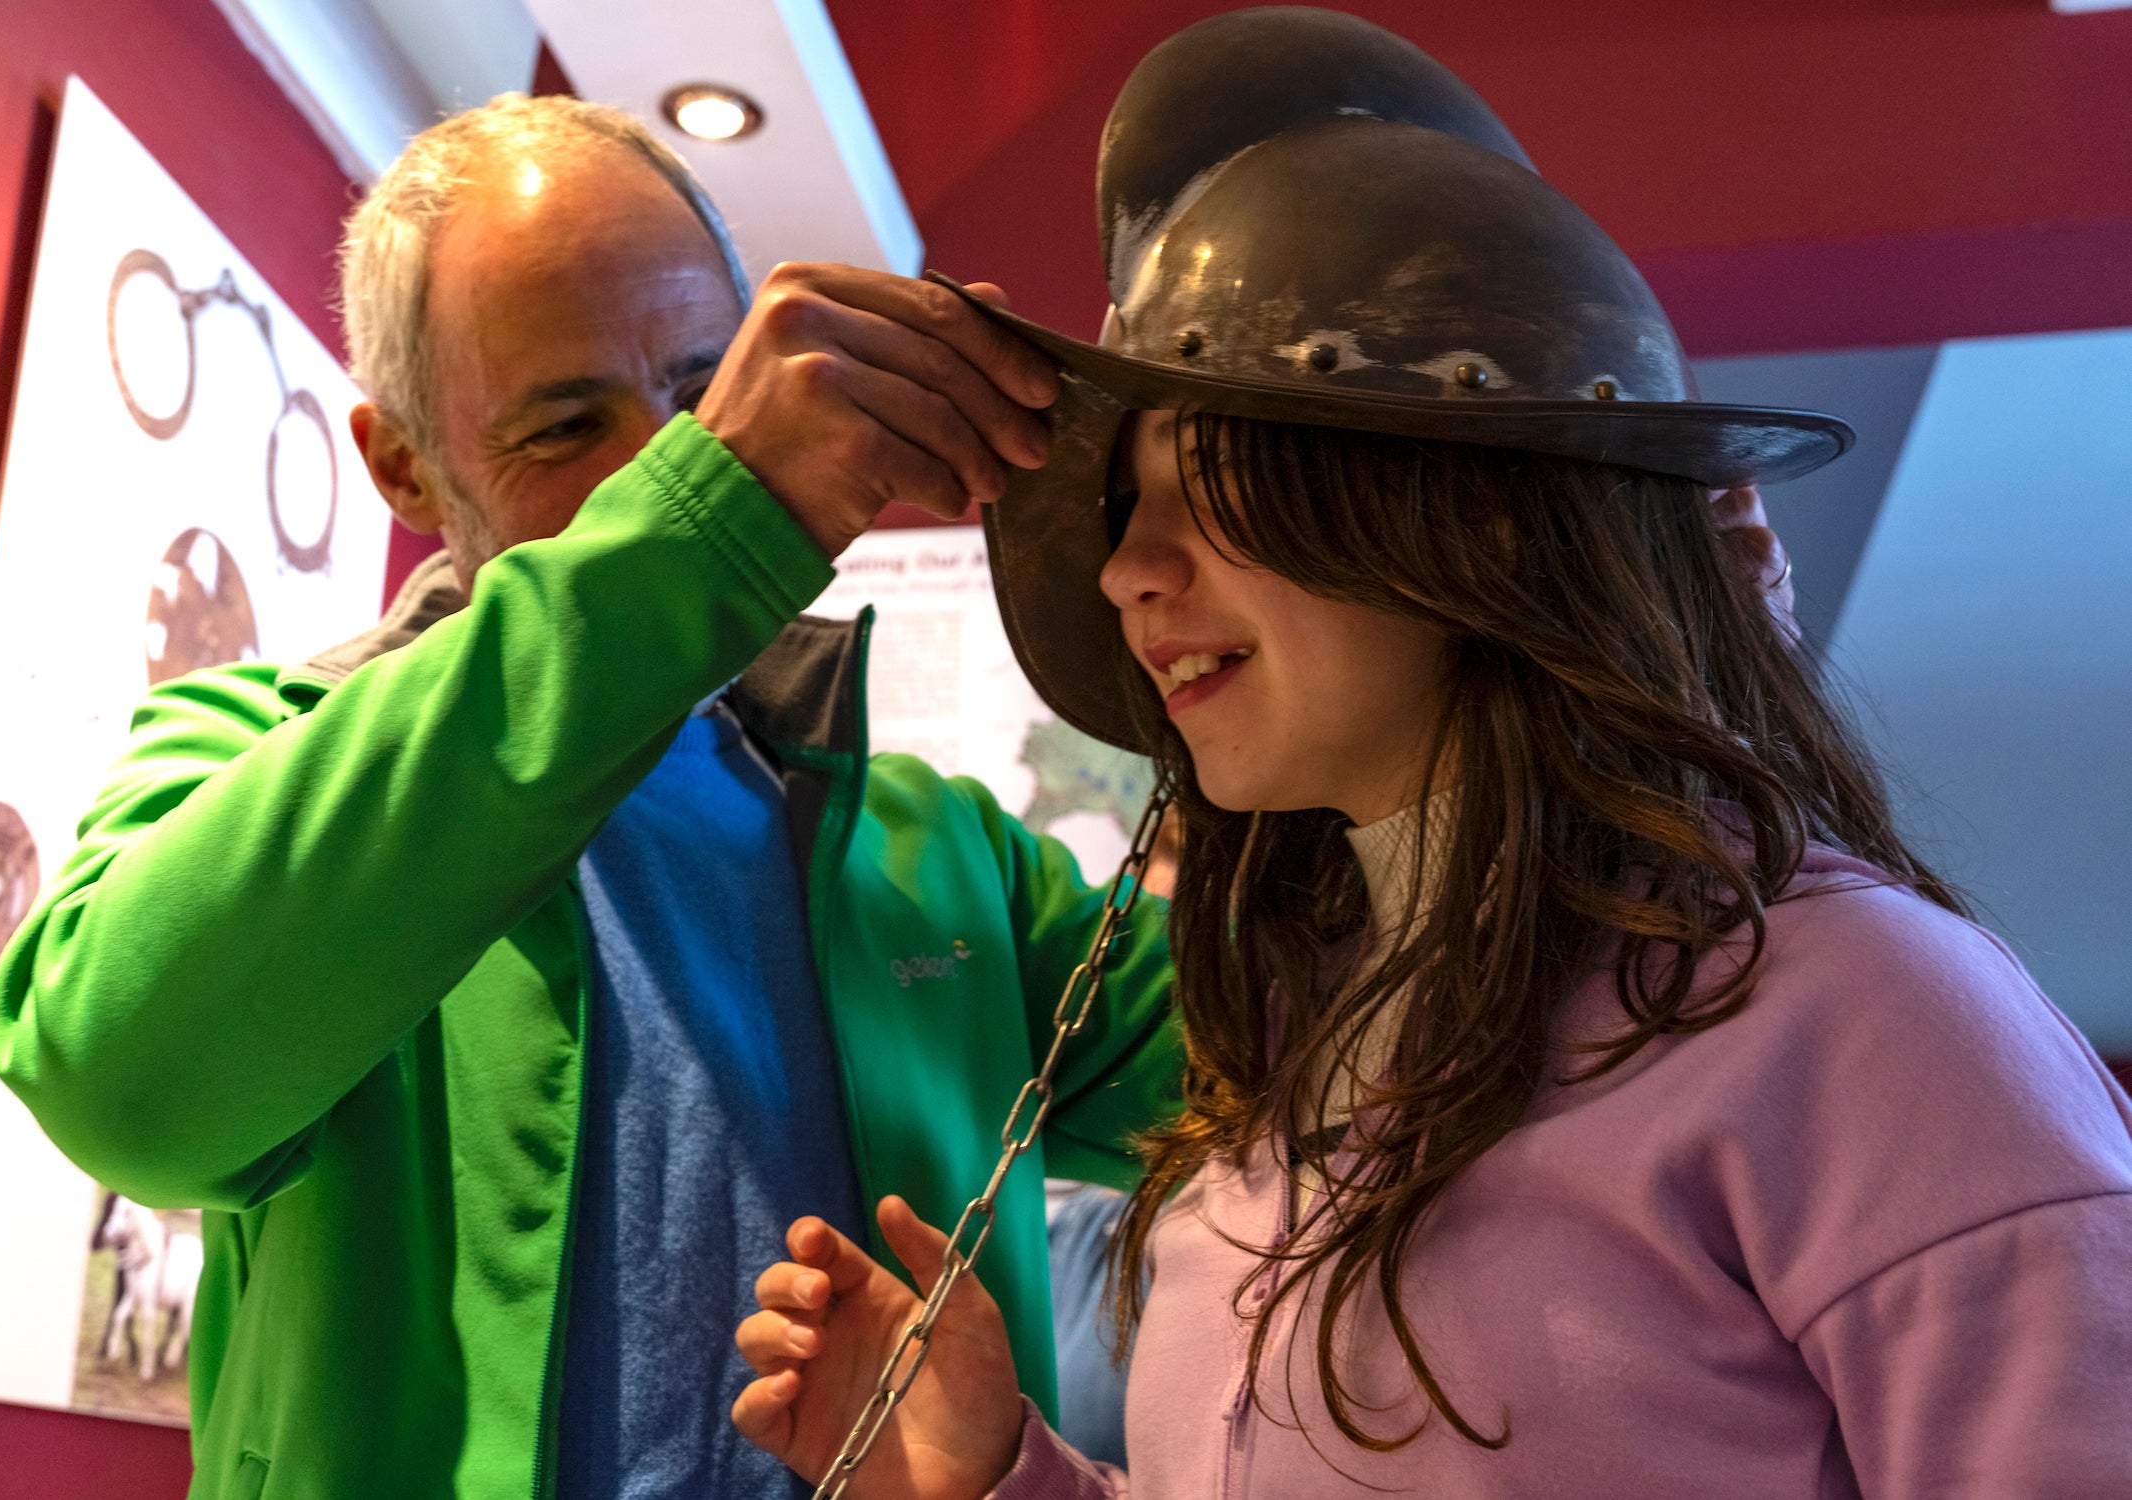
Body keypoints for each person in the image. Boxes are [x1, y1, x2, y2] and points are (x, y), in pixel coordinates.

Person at [730, 12, 2132, 1498]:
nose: (1128, 573)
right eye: (1126, 512)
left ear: (1469, 518)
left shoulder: (1850, 1013)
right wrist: (993, 1481)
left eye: (1211, 486)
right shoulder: (1288, 1065)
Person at [0, 94, 1186, 1500]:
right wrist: (701, 532)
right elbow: (127, 1087)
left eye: (703, 398)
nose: (660, 467)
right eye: (565, 425)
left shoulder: (941, 850)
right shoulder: (253, 750)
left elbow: (1319, 1057)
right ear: (404, 466)